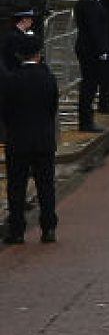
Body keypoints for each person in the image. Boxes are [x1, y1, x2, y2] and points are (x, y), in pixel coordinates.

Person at [2, 32, 60, 243]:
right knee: (46, 185)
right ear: (38, 54)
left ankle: (17, 230)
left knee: (16, 187)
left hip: (18, 139)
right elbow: (52, 107)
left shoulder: (11, 79)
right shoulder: (49, 77)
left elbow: (5, 111)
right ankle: (48, 228)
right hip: (44, 139)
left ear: (19, 55)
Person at [74, 0, 109, 132]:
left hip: (86, 47)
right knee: (89, 85)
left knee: (89, 84)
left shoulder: (84, 1)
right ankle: (86, 122)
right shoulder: (91, 4)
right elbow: (95, 29)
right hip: (90, 50)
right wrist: (102, 49)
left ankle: (87, 120)